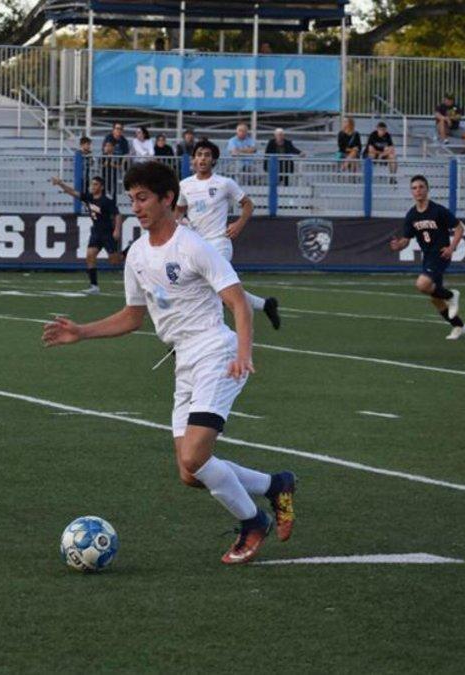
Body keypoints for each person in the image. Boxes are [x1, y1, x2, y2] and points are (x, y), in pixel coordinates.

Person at [42, 160, 297, 565]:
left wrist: (243, 353)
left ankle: (253, 523)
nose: (136, 206)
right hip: (184, 361)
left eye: (143, 198)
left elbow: (238, 303)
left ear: (167, 199)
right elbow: (132, 316)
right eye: (132, 199)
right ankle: (276, 484)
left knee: (196, 456)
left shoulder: (193, 245)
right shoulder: (137, 255)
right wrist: (82, 331)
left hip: (216, 351)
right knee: (190, 472)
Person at [177, 140, 281, 330]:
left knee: (211, 287)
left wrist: (239, 224)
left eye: (207, 155)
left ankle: (206, 334)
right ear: (193, 159)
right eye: (199, 154)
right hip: (197, 245)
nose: (202, 158)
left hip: (219, 243)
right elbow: (178, 212)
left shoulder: (225, 183)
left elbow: (248, 204)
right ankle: (265, 304)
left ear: (214, 160)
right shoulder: (185, 185)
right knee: (219, 287)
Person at [388, 175, 465, 340]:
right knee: (435, 299)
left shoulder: (438, 210)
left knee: (422, 284)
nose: (418, 190)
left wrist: (451, 247)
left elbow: (459, 228)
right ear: (411, 191)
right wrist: (398, 245)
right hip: (427, 257)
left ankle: (452, 295)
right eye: (414, 188)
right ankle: (459, 326)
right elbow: (406, 239)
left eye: (421, 187)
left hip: (440, 255)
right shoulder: (411, 215)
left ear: (427, 189)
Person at [50, 174, 124, 294]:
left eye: (95, 184)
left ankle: (128, 255)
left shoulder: (107, 201)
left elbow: (118, 215)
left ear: (102, 187)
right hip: (96, 232)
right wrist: (60, 183)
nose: (92, 186)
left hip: (107, 233)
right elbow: (73, 192)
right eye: (92, 184)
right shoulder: (89, 197)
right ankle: (94, 286)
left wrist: (117, 230)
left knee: (114, 261)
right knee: (90, 255)